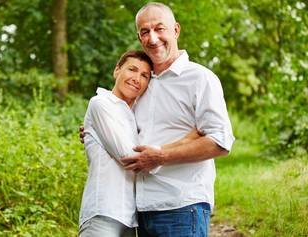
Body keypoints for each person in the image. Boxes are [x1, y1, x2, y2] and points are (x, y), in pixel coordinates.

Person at [117, 2, 235, 237]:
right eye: (144, 31)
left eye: (159, 29)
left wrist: (160, 157)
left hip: (182, 207)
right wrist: (94, 128)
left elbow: (221, 141)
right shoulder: (141, 82)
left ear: (176, 30)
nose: (152, 38)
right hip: (138, 210)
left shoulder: (200, 79)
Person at [78, 50, 153, 237]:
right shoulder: (100, 104)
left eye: (144, 75)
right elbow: (128, 157)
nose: (137, 78)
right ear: (117, 70)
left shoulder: (134, 115)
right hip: (103, 212)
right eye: (132, 70)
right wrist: (169, 155)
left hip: (129, 218)